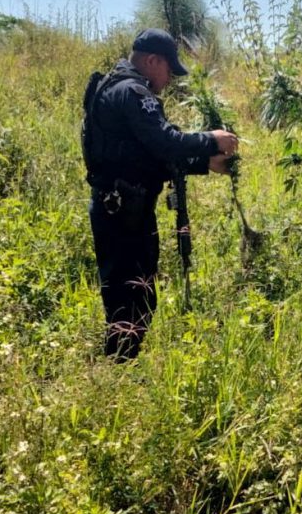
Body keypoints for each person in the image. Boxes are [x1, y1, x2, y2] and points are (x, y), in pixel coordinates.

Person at [82, 28, 238, 360]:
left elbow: (145, 157)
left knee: (131, 293)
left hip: (121, 207)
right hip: (123, 213)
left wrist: (203, 163)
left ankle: (121, 365)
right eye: (169, 70)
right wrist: (212, 140)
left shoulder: (113, 88)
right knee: (130, 296)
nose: (169, 79)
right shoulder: (132, 92)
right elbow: (165, 141)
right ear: (152, 61)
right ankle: (119, 369)